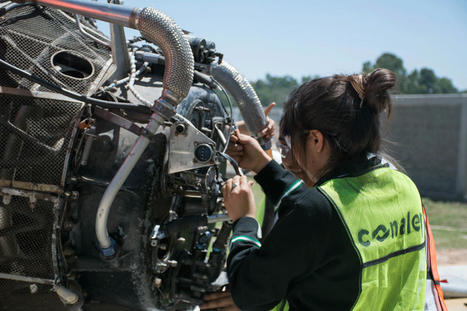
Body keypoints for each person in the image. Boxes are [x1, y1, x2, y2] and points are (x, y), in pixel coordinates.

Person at [210, 69, 427, 310]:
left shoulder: (319, 212)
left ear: (315, 140)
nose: (290, 158)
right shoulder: (404, 186)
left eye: (293, 143)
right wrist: (263, 166)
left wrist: (245, 221)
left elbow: (248, 292)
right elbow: (332, 214)